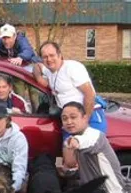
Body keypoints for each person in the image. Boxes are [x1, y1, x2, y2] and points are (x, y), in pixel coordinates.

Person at [33, 41, 107, 173]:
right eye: (45, 57)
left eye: (52, 55)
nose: (49, 59)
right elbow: (37, 66)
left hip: (89, 116)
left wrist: (85, 120)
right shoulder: (50, 71)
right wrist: (38, 77)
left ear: (60, 55)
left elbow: (89, 93)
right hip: (69, 120)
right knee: (69, 160)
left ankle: (103, 189)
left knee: (93, 159)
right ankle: (73, 184)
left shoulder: (72, 68)